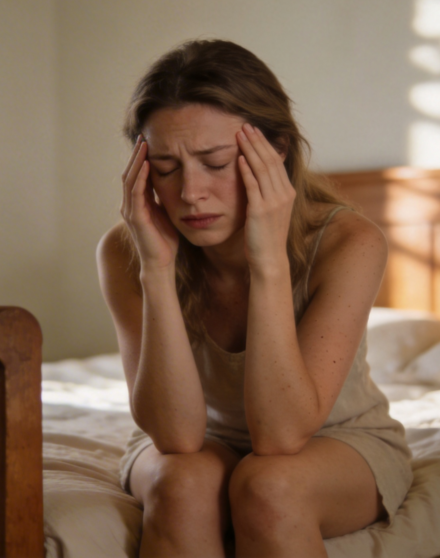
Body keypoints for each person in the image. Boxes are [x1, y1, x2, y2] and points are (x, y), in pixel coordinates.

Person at [96, 39, 413, 557]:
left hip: (336, 441)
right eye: (166, 167)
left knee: (269, 487)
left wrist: (268, 262)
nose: (190, 193)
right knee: (182, 483)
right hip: (195, 442)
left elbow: (280, 437)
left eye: (216, 162)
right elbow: (176, 437)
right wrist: (157, 269)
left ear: (277, 150)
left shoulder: (348, 243)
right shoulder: (125, 249)